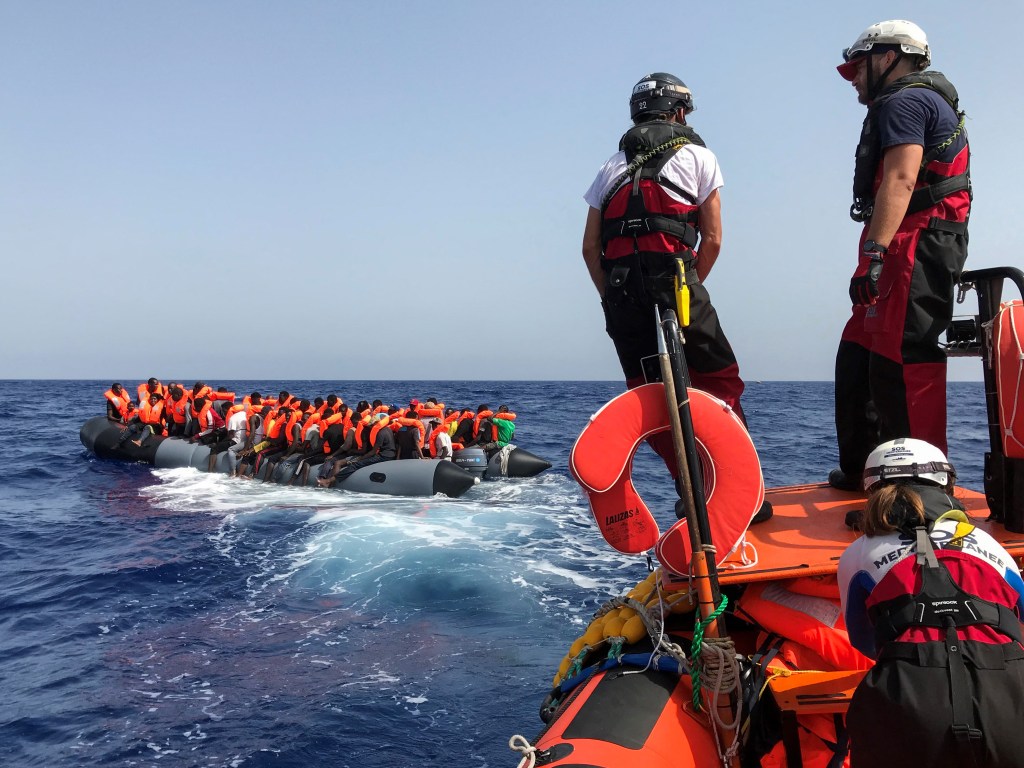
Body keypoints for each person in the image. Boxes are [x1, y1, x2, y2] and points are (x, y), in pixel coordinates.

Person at [582, 72, 770, 522]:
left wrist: (611, 296)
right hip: (677, 283)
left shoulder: (609, 167)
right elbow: (714, 238)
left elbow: (590, 248)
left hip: (623, 292)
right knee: (719, 380)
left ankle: (690, 492)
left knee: (651, 392)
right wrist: (691, 283)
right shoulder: (699, 155)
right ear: (680, 112)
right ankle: (744, 493)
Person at [830, 21, 971, 491]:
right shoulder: (909, 101)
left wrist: (874, 252)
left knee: (906, 365)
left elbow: (901, 179)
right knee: (858, 356)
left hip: (916, 244)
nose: (852, 78)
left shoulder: (906, 101)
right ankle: (867, 472)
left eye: (857, 66)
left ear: (888, 57)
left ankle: (922, 492)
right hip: (897, 245)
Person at [837, 438, 1024, 767]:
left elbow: (863, 640)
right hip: (1010, 703)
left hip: (908, 710)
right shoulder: (990, 545)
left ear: (871, 490)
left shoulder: (857, 553)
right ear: (946, 485)